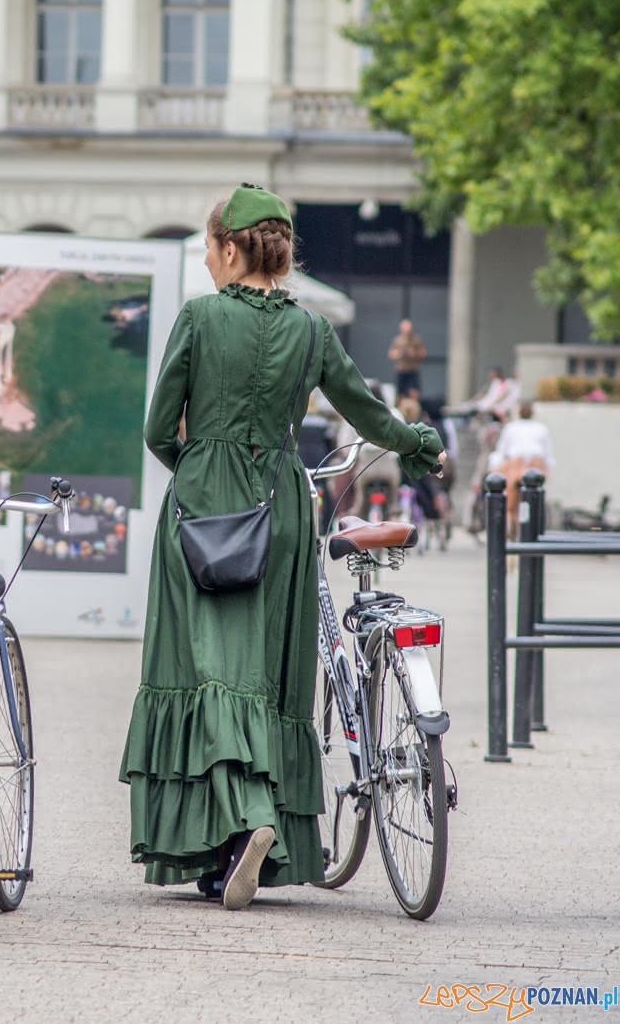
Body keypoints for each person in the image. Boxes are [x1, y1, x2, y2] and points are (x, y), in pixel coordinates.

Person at [120, 183, 443, 910]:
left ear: (232, 249)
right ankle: (236, 851)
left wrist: (199, 470)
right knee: (266, 675)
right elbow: (367, 411)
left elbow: (157, 430)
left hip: (206, 508)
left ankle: (248, 817)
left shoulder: (200, 317)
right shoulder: (312, 329)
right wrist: (420, 443)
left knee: (206, 670)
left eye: (211, 248)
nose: (209, 262)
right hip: (284, 507)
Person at [489, 402, 556, 540]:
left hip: (516, 462)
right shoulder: (541, 428)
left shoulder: (511, 427)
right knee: (534, 497)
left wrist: (494, 467)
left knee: (510, 501)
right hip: (535, 463)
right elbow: (547, 454)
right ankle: (530, 531)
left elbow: (501, 450)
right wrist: (547, 472)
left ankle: (511, 529)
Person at [387, 318, 428, 398]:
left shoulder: (416, 340)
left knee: (414, 393)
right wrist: (401, 353)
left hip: (413, 370)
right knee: (400, 394)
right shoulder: (397, 340)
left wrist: (414, 353)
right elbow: (391, 354)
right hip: (401, 370)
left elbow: (423, 354)